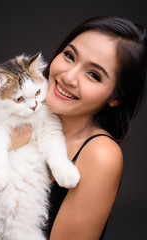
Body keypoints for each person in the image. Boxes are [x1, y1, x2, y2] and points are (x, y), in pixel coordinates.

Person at [10, 16, 147, 239]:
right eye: (69, 56)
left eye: (94, 75)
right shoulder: (15, 114)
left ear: (116, 97)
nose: (69, 76)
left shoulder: (100, 155)